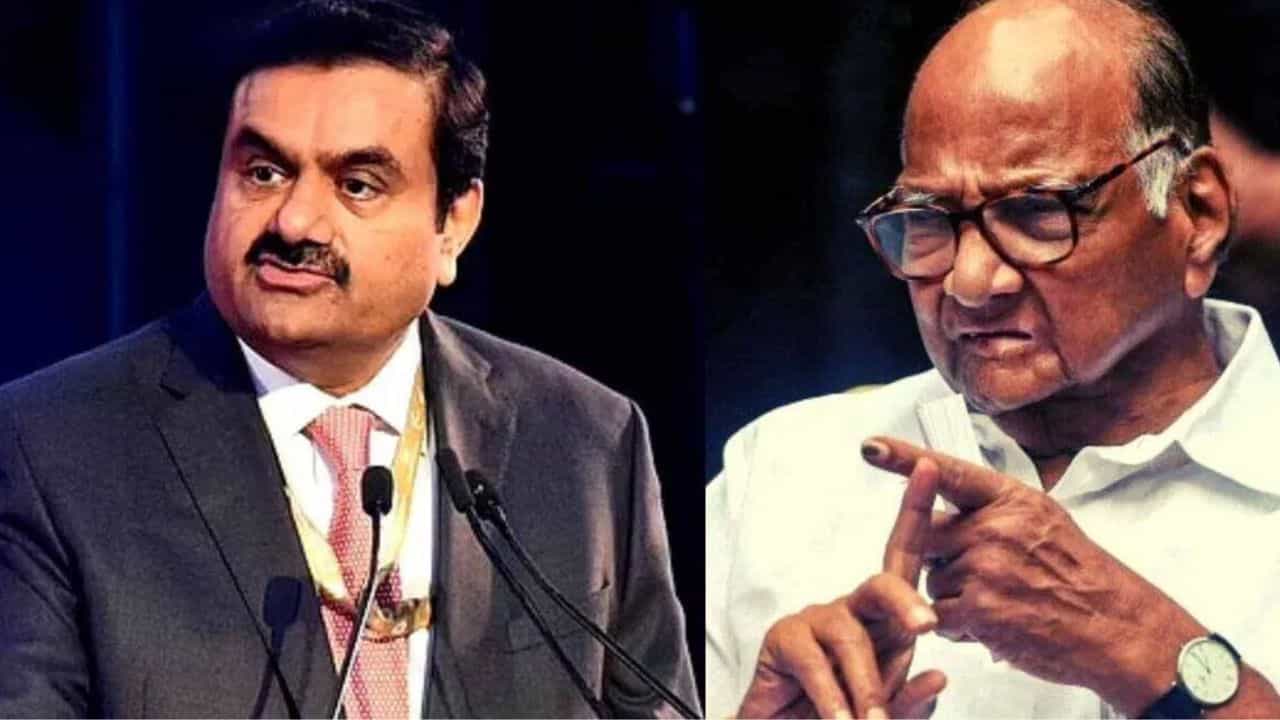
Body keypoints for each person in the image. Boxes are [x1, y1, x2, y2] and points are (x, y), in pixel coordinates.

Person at [0, 1, 698, 717]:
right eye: (263, 172)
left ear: (454, 222)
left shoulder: (587, 440)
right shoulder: (49, 448)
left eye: (357, 184)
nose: (294, 221)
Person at [706, 0, 1280, 717]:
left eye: (1038, 212)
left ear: (1199, 214)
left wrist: (1146, 649)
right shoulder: (780, 473)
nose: (970, 283)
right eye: (926, 220)